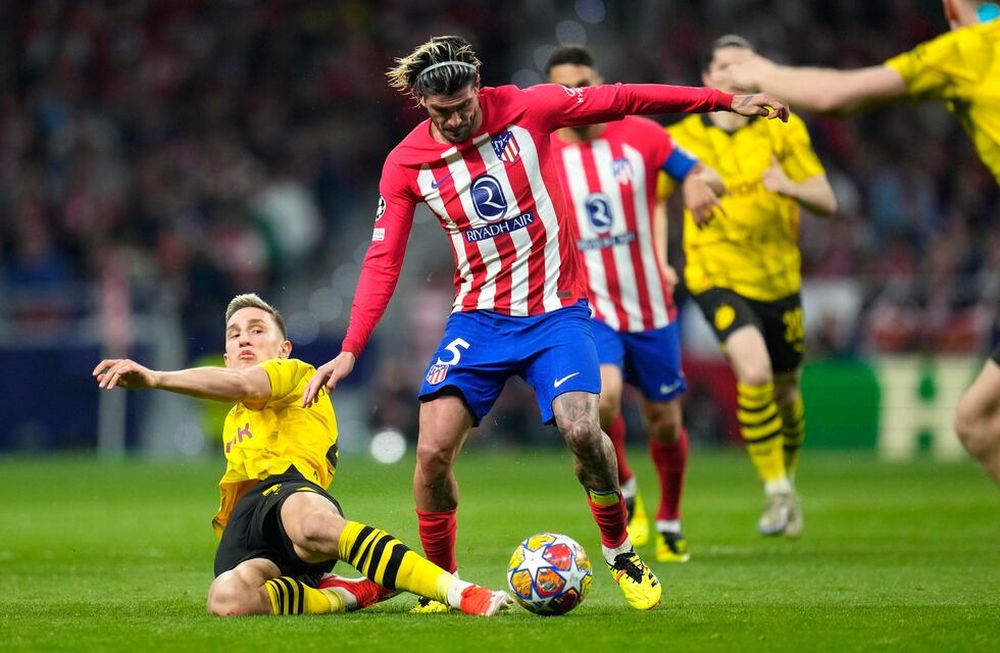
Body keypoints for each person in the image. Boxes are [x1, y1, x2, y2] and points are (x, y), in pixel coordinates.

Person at [301, 34, 788, 612]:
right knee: (431, 451)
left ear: (478, 87)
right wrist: (353, 347)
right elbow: (384, 259)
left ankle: (619, 550)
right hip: (478, 320)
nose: (456, 120)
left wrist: (723, 102)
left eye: (463, 105)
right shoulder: (405, 164)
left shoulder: (530, 108)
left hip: (556, 313)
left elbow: (625, 97)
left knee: (583, 429)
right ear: (420, 105)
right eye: (441, 112)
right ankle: (442, 579)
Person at [93, 292, 511, 617]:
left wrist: (154, 377)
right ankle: (346, 594)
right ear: (224, 357)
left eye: (257, 330)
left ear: (283, 349)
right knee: (227, 599)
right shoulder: (233, 420)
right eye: (235, 334)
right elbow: (238, 393)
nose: (244, 338)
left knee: (310, 522)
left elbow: (246, 386)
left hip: (293, 493)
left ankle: (457, 591)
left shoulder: (295, 375)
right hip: (247, 527)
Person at [724, 0, 1000, 485]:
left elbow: (838, 95)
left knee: (977, 422)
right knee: (977, 421)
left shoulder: (971, 47)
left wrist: (759, 70)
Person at [546, 44, 726, 563]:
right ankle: (623, 485)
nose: (576, 94)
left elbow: (703, 173)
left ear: (599, 81)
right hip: (589, 306)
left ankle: (669, 516)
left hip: (650, 305)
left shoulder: (641, 134)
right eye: (565, 87)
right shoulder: (546, 149)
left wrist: (694, 184)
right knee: (602, 400)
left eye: (583, 82)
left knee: (665, 421)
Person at [665, 35, 838, 538]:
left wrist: (790, 187)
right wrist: (659, 259)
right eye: (724, 65)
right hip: (714, 274)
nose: (734, 72)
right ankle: (776, 492)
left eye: (743, 64)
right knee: (755, 371)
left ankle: (786, 483)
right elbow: (652, 198)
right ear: (707, 79)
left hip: (778, 278)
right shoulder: (681, 137)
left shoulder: (782, 128)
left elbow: (826, 198)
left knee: (786, 393)